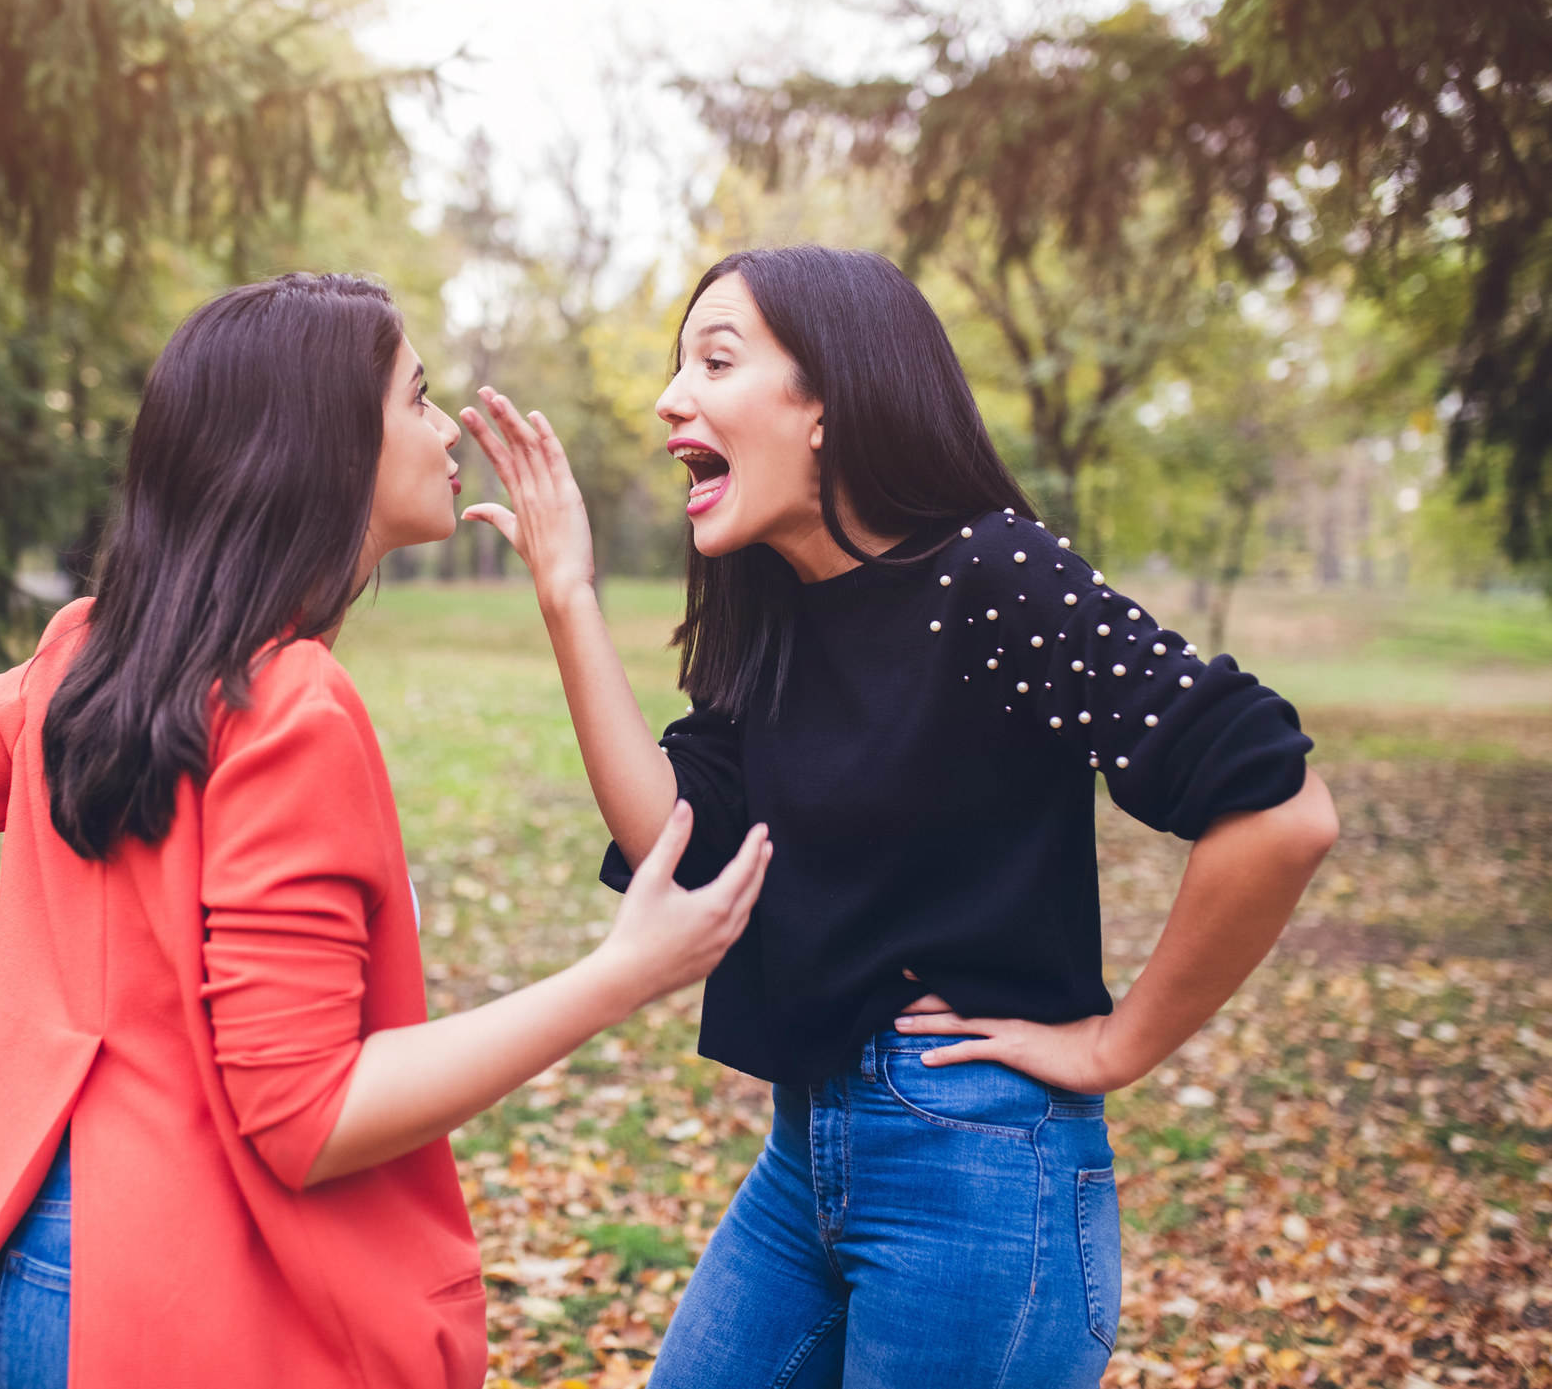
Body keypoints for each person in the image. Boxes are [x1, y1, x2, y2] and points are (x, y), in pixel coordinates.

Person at [0, 273, 774, 1389]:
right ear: (326, 445)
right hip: (178, 1314)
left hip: (24, 1277)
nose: (448, 428)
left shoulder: (83, 653)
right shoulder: (290, 704)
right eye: (418, 396)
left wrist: (48, 1049)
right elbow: (308, 1118)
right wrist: (623, 972)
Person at [460, 245, 1340, 1388]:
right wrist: (569, 597)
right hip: (804, 1156)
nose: (671, 398)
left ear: (828, 402)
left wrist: (1119, 1045)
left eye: (715, 360)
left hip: (977, 1170)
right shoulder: (776, 607)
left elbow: (1281, 812)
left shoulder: (993, 577)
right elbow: (674, 848)